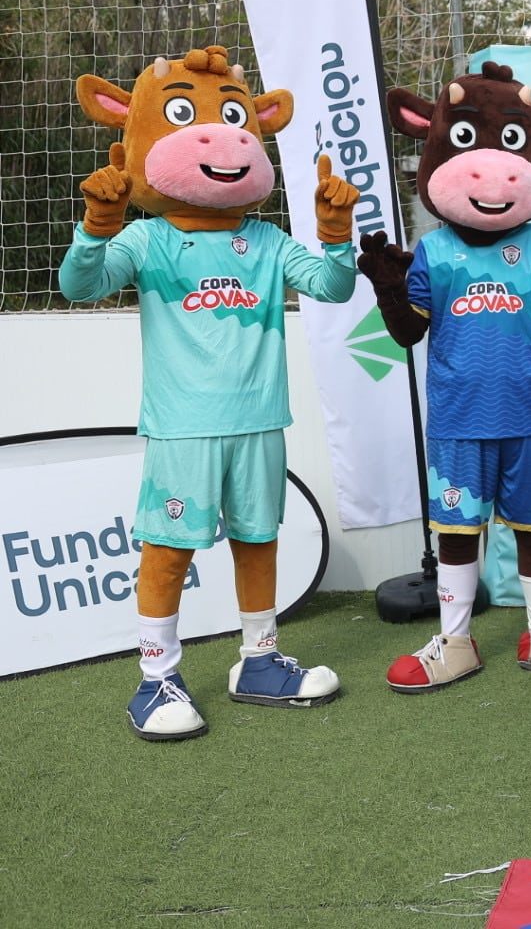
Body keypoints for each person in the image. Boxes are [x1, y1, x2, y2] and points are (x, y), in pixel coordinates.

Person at [61, 46, 358, 740]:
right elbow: (81, 286)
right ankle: (156, 676)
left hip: (259, 422)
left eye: (233, 120)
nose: (222, 139)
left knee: (258, 541)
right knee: (169, 548)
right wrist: (94, 228)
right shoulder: (149, 237)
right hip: (183, 428)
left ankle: (259, 659)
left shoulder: (268, 239)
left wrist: (336, 236)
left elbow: (332, 288)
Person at [358, 63, 531, 692]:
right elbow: (408, 333)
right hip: (458, 425)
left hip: (526, 420)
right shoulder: (435, 249)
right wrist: (391, 289)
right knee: (456, 536)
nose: (493, 174)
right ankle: (454, 638)